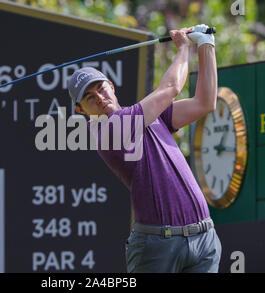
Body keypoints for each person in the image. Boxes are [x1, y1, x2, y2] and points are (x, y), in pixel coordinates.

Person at [67, 24, 221, 273]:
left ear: (111, 86)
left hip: (203, 239)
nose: (100, 98)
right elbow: (170, 88)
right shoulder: (110, 130)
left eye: (101, 88)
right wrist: (183, 48)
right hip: (158, 246)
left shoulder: (151, 116)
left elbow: (205, 102)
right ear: (81, 111)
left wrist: (205, 44)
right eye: (90, 98)